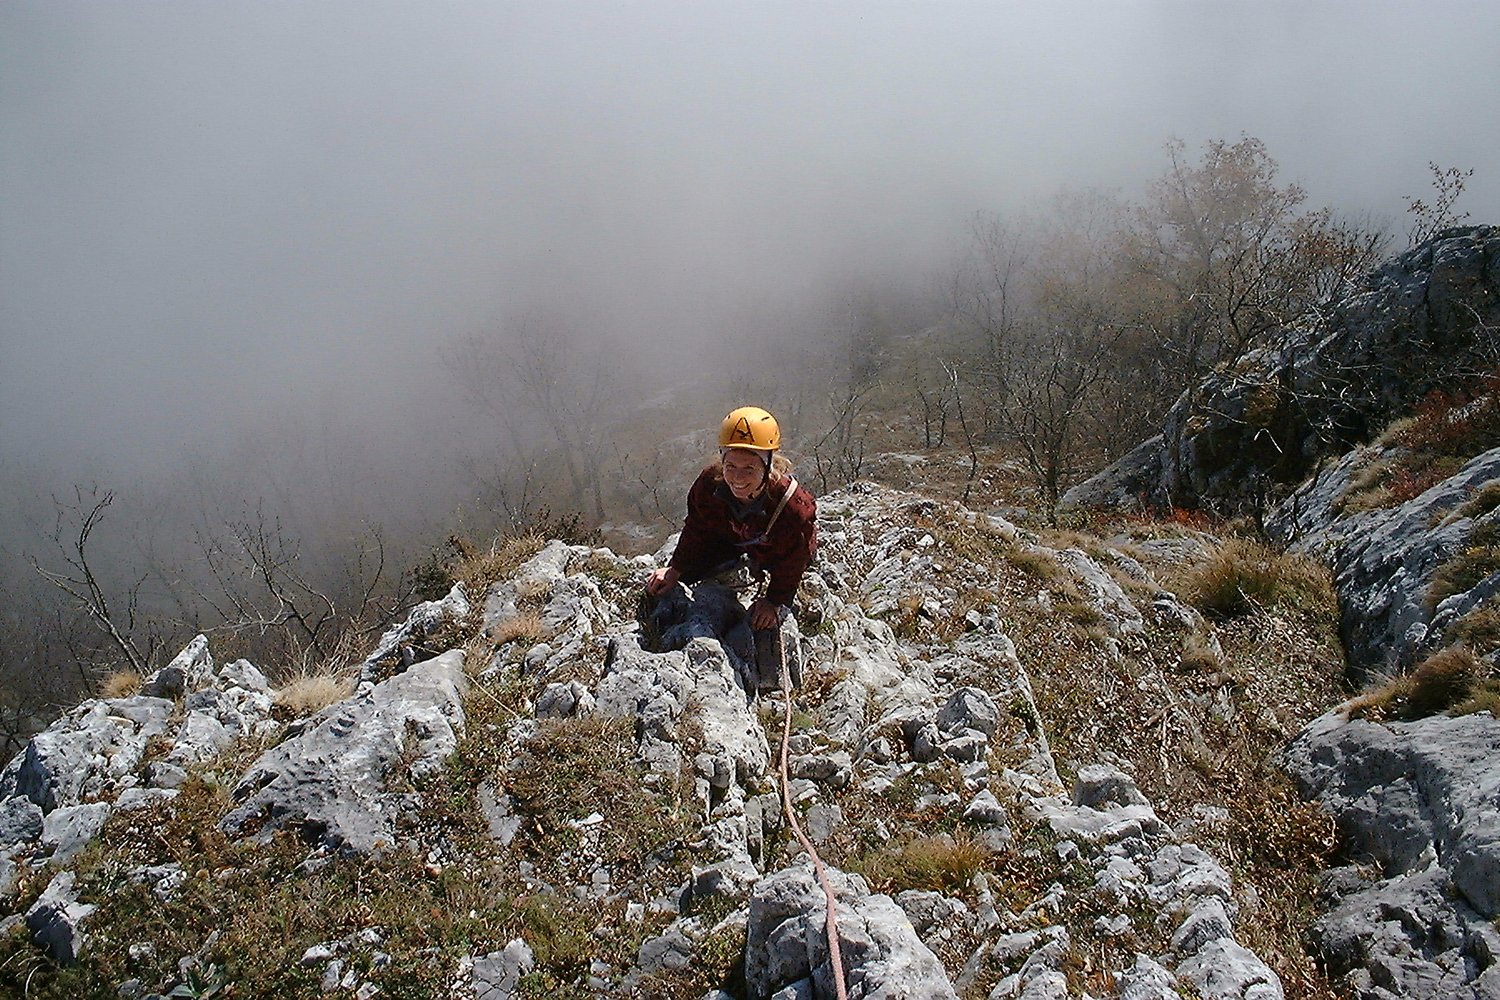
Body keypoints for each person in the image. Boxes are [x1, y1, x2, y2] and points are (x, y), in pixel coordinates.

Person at [645, 405, 817, 688]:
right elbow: (697, 528)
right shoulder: (709, 487)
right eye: (731, 466)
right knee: (690, 577)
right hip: (730, 540)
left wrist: (775, 600)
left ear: (768, 465)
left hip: (774, 549)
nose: (737, 478)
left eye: (749, 468)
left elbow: (795, 557)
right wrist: (675, 570)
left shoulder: (792, 509)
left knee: (767, 619)